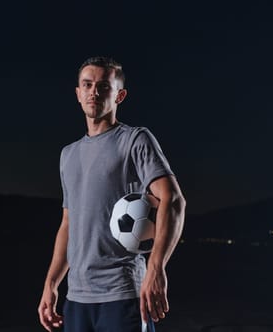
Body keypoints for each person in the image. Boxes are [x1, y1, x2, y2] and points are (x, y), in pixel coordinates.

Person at [37, 56, 186, 332]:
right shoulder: (67, 155)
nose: (94, 92)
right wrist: (51, 284)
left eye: (104, 86)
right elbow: (69, 224)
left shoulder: (135, 140)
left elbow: (173, 200)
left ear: (120, 95)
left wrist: (156, 268)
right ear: (78, 94)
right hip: (77, 299)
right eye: (88, 85)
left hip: (123, 296)